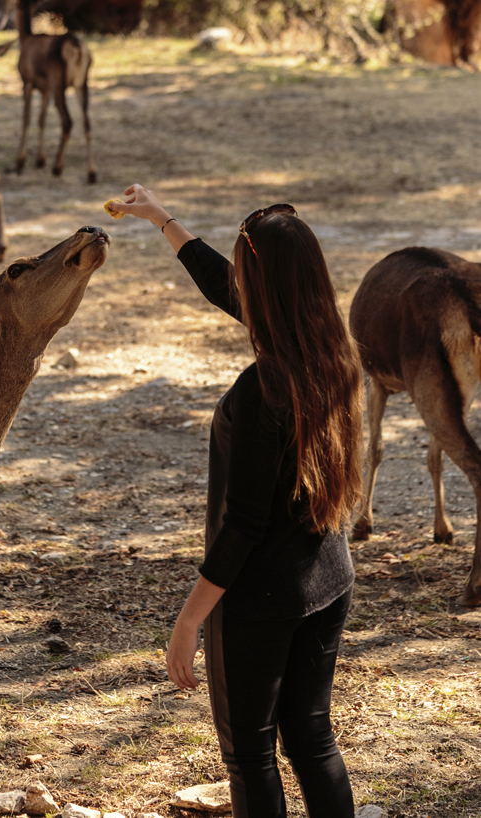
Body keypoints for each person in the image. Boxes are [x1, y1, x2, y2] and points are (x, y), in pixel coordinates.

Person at [106, 185, 363, 818]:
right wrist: (164, 219)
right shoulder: (329, 350)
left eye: (245, 277)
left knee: (250, 756)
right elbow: (226, 286)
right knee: (312, 739)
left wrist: (188, 620)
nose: (237, 289)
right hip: (328, 579)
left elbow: (243, 526)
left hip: (260, 599)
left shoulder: (261, 391)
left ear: (262, 292)